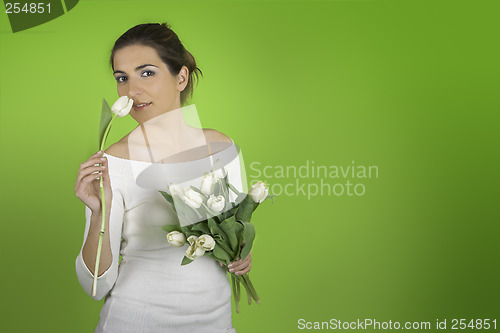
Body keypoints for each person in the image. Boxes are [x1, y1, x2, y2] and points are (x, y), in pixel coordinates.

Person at [74, 22, 252, 333]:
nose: (132, 90)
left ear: (180, 77)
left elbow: (233, 236)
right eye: (122, 78)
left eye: (147, 73)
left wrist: (240, 257)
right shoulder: (113, 162)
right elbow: (95, 287)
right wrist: (99, 212)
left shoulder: (222, 148)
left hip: (216, 325)